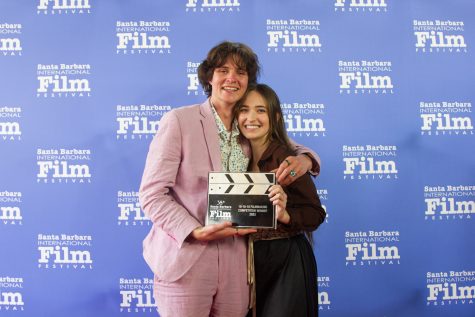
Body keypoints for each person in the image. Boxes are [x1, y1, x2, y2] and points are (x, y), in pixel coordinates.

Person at [139, 41, 320, 317]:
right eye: (223, 70)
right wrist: (194, 231)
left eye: (241, 72)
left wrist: (307, 160)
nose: (232, 78)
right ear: (209, 77)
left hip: (238, 267)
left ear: (248, 82)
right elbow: (152, 194)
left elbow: (288, 145)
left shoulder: (247, 125)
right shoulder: (179, 121)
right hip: (187, 258)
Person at [235, 84, 326, 317]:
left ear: (275, 117)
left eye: (261, 111)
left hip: (287, 260)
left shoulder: (287, 159)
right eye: (244, 110)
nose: (251, 118)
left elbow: (315, 213)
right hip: (244, 261)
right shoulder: (233, 157)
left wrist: (285, 215)